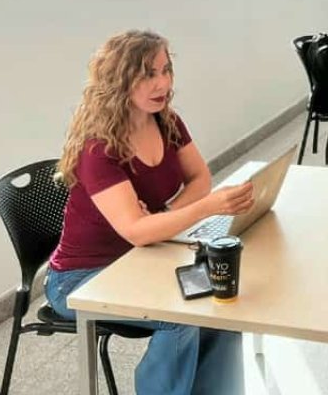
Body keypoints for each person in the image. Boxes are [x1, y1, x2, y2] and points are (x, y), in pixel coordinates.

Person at [46, 30, 254, 395]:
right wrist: (199, 210)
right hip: (81, 279)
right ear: (119, 80)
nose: (163, 83)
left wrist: (163, 216)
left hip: (142, 257)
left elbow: (200, 178)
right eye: (148, 74)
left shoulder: (166, 121)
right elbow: (137, 231)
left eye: (166, 70)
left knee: (221, 303)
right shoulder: (99, 148)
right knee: (179, 318)